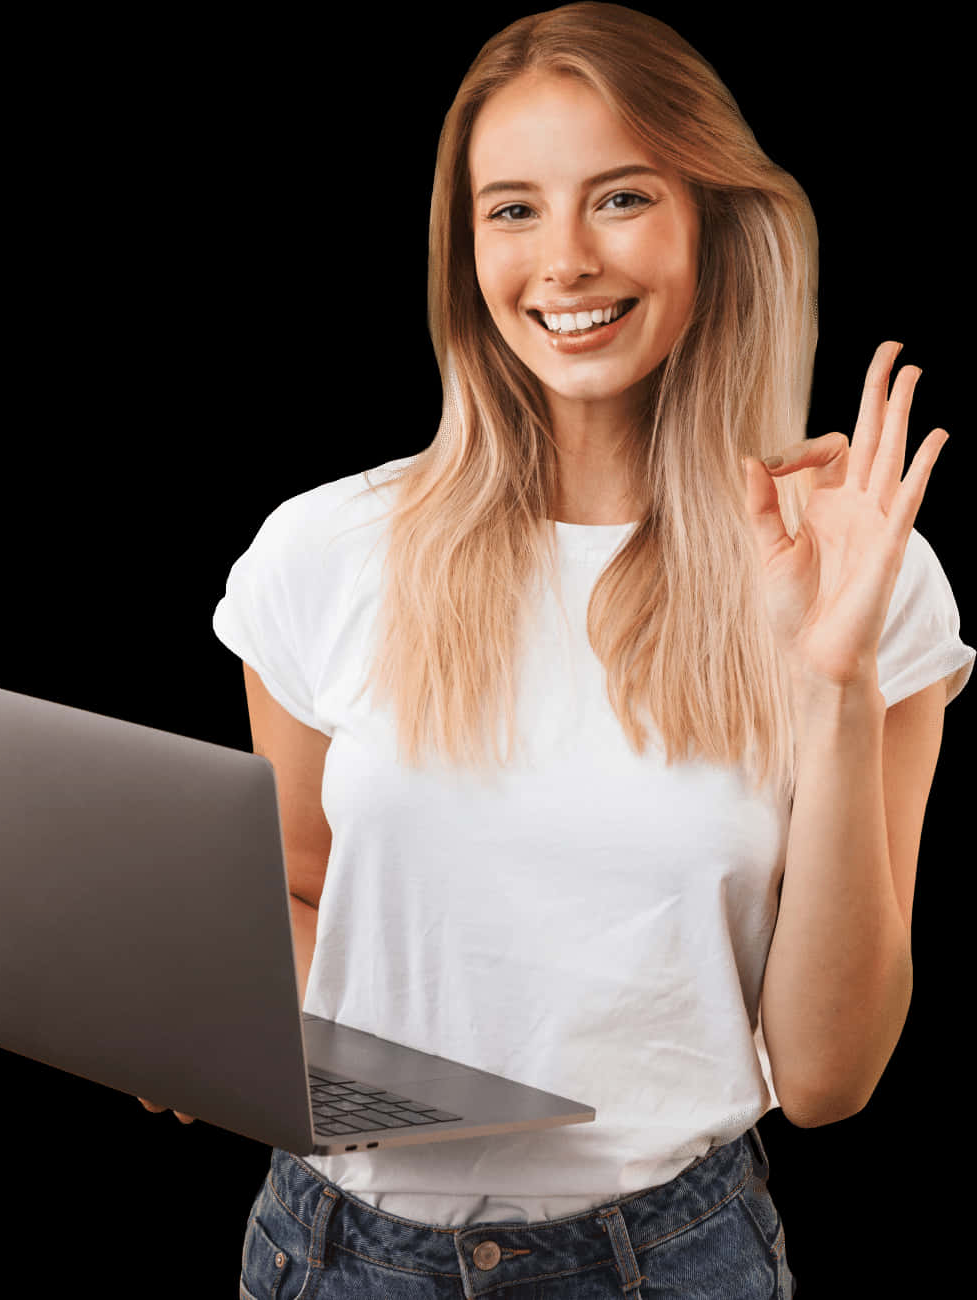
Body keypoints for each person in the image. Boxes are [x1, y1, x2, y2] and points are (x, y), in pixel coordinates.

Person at [151, 4, 973, 1295]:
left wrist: (833, 680)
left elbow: (825, 1077)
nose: (567, 261)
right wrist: (203, 1025)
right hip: (336, 1255)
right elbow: (301, 902)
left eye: (623, 198)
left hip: (673, 1260)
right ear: (464, 247)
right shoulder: (323, 555)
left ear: (712, 219)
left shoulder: (856, 576)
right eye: (515, 209)